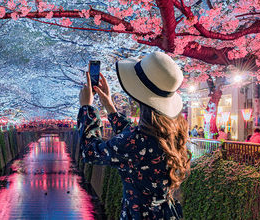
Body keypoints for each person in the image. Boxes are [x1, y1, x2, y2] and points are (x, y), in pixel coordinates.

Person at [78, 52, 190, 219]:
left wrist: (87, 108)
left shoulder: (135, 141)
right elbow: (133, 139)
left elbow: (89, 152)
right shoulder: (173, 130)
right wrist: (109, 107)